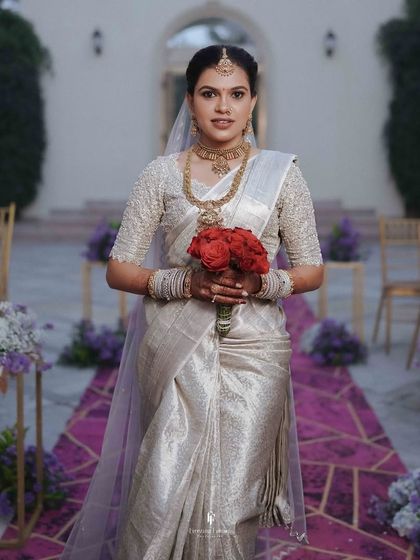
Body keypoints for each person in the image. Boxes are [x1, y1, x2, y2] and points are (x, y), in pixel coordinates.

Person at [61, 44, 324, 560]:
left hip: (255, 351)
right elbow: (119, 268)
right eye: (210, 93)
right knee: (161, 488)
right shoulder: (160, 174)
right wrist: (187, 284)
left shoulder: (283, 174)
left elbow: (311, 268)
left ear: (253, 103)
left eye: (236, 94)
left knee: (230, 502)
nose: (223, 106)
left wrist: (258, 285)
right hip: (175, 349)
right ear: (190, 101)